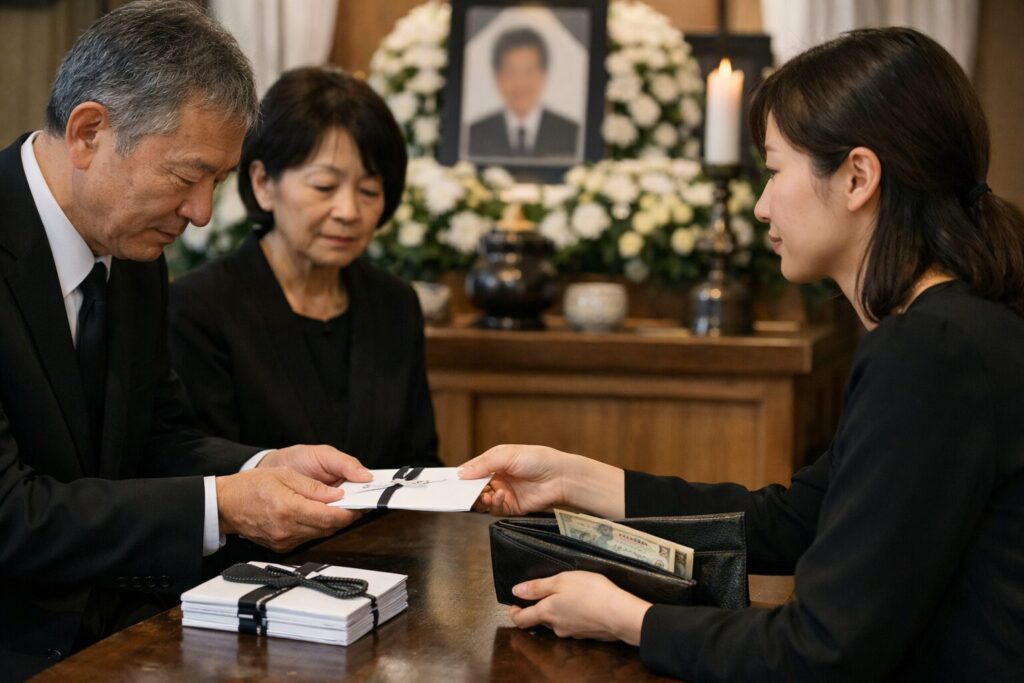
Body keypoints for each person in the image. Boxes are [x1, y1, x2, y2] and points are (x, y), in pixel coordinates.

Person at [459, 27, 1024, 681]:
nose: (760, 205)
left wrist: (624, 616)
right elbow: (790, 521)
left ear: (858, 176)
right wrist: (573, 479)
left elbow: (819, 649)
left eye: (775, 169)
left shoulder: (931, 351)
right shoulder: (953, 330)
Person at [0, 3, 371, 676]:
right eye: (184, 177)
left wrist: (265, 467)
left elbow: (156, 434)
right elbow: (11, 514)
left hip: (118, 630)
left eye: (217, 183)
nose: (200, 213)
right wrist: (226, 503)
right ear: (89, 132)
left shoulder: (135, 250)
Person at [169, 67, 440, 469]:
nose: (348, 211)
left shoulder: (394, 304)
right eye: (324, 187)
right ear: (263, 183)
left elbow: (419, 463)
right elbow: (196, 463)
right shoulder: (199, 307)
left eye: (368, 191)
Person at [467, 27, 580, 160]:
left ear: (543, 76)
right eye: (511, 72)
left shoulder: (570, 133)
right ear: (497, 77)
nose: (520, 83)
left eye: (529, 72)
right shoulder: (474, 133)